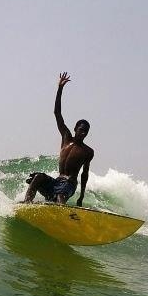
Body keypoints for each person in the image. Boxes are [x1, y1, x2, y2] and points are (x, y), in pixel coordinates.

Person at [22, 72, 94, 206]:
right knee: (38, 177)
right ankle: (26, 203)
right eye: (81, 130)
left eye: (86, 131)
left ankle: (61, 212)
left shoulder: (88, 151)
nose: (83, 133)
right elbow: (57, 113)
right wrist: (60, 89)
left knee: (60, 196)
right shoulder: (66, 137)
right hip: (56, 182)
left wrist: (81, 197)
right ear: (75, 129)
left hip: (69, 185)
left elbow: (84, 174)